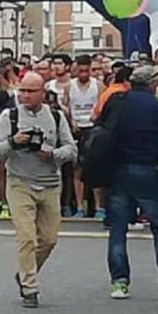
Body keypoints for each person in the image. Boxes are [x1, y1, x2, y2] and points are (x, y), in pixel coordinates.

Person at [98, 66, 158, 300]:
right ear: (151, 84)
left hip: (118, 167)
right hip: (147, 167)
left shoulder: (117, 101)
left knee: (118, 227)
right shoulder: (157, 106)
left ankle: (120, 282)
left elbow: (101, 128)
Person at [0, 72, 77, 308]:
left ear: (42, 93)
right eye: (22, 91)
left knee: (48, 239)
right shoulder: (10, 116)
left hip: (49, 183)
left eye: (31, 91)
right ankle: (30, 286)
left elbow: (71, 149)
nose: (25, 96)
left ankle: (25, 271)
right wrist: (13, 142)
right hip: (20, 182)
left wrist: (52, 153)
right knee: (26, 237)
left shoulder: (57, 117)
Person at [64, 55, 103, 217]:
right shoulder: (69, 86)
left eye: (87, 71)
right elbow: (65, 106)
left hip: (92, 130)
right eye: (80, 71)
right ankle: (79, 207)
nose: (84, 74)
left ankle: (99, 207)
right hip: (76, 129)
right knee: (77, 170)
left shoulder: (98, 86)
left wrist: (96, 117)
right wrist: (70, 120)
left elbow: (102, 106)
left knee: (95, 170)